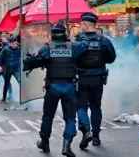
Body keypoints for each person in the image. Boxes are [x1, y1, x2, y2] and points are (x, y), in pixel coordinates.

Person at [23, 23, 90, 157]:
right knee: (70, 118)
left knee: (47, 117)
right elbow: (85, 44)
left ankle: (45, 142)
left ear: (52, 35)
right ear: (65, 34)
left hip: (52, 87)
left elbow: (35, 61)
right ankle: (66, 146)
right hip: (69, 87)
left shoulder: (47, 49)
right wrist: (81, 34)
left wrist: (29, 59)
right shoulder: (73, 47)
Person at [75, 12, 116, 149]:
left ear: (86, 25)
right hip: (98, 79)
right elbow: (111, 59)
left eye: (82, 25)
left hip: (81, 78)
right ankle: (96, 136)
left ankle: (86, 131)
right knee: (96, 107)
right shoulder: (104, 40)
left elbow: (71, 58)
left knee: (81, 106)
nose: (81, 27)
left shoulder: (78, 41)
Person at [0, 36, 20, 103]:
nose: (14, 45)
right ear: (10, 43)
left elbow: (25, 55)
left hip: (16, 69)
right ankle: (4, 98)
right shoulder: (5, 49)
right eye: (13, 44)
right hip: (8, 68)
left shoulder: (19, 49)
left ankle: (24, 98)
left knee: (21, 82)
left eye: (15, 43)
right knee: (6, 83)